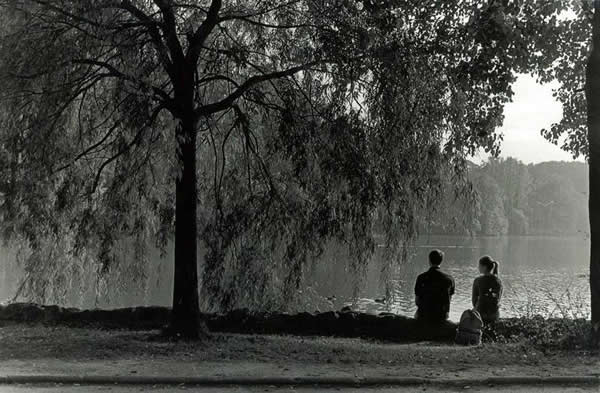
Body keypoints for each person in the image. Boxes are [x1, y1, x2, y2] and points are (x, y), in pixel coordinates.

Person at [414, 249, 456, 323]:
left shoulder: (421, 277)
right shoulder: (449, 279)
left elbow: (417, 301)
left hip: (423, 314)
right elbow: (448, 300)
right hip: (440, 316)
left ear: (429, 261)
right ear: (441, 261)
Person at [472, 256, 503, 324]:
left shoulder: (478, 280)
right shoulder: (498, 281)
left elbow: (474, 300)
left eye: (479, 266)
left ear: (484, 267)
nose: (478, 267)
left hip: (481, 314)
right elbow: (498, 297)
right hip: (494, 314)